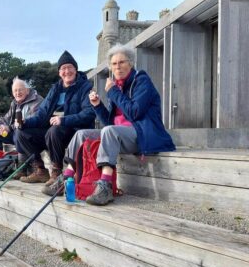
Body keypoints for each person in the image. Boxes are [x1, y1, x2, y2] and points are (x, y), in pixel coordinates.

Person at [42, 44, 176, 205]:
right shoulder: (118, 86)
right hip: (120, 135)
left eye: (122, 62)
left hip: (143, 134)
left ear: (131, 63)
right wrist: (98, 105)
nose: (117, 67)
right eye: (113, 64)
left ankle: (105, 185)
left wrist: (112, 92)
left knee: (110, 131)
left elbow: (134, 113)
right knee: (82, 134)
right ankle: (66, 178)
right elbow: (109, 123)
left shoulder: (141, 81)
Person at [15, 51, 96, 184]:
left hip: (74, 131)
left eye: (70, 67)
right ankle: (40, 170)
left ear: (76, 69)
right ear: (59, 73)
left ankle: (56, 171)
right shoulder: (55, 89)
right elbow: (42, 115)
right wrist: (25, 122)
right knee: (21, 133)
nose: (67, 71)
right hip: (53, 134)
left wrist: (63, 120)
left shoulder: (85, 87)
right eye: (63, 68)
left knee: (54, 130)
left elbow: (89, 114)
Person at [0, 76, 43, 179]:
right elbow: (6, 119)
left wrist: (9, 128)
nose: (17, 93)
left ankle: (22, 168)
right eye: (15, 91)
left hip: (33, 135)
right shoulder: (14, 103)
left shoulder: (37, 100)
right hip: (16, 133)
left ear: (27, 90)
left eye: (20, 90)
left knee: (18, 131)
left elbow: (27, 121)